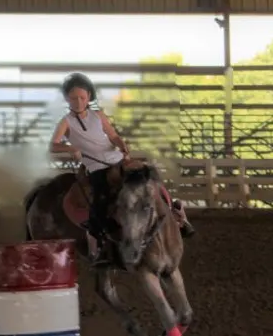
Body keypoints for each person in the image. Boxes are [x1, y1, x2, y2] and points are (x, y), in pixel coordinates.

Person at [50, 72, 194, 265]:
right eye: (73, 98)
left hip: (117, 159)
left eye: (82, 97)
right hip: (95, 166)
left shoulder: (98, 115)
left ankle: (177, 215)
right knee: (100, 202)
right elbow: (53, 145)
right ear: (67, 98)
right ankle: (99, 245)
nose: (78, 101)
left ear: (89, 97)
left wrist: (121, 144)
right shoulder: (66, 122)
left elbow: (112, 136)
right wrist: (70, 148)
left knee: (148, 179)